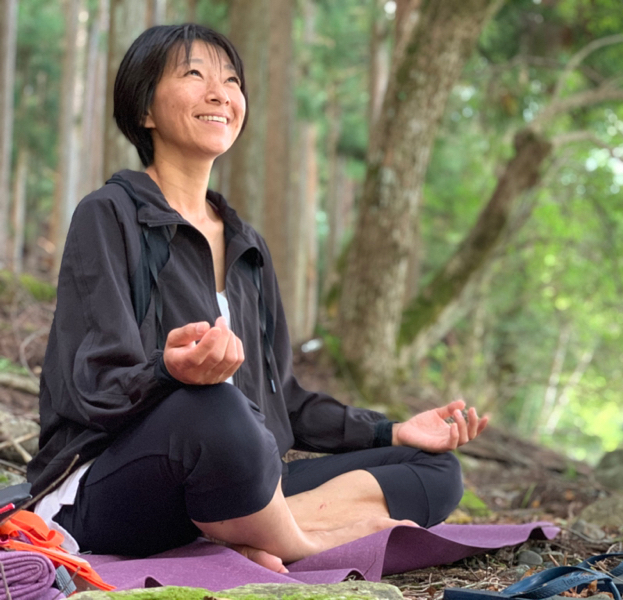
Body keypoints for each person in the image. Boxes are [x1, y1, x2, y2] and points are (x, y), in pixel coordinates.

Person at [27, 24, 489, 573]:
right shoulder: (109, 215)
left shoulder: (248, 246)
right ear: (144, 108)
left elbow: (284, 400)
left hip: (239, 476)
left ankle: (254, 535)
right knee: (214, 405)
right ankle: (304, 541)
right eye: (194, 74)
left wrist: (391, 429)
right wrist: (169, 372)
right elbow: (93, 386)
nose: (220, 93)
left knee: (433, 468)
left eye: (231, 80)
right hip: (115, 481)